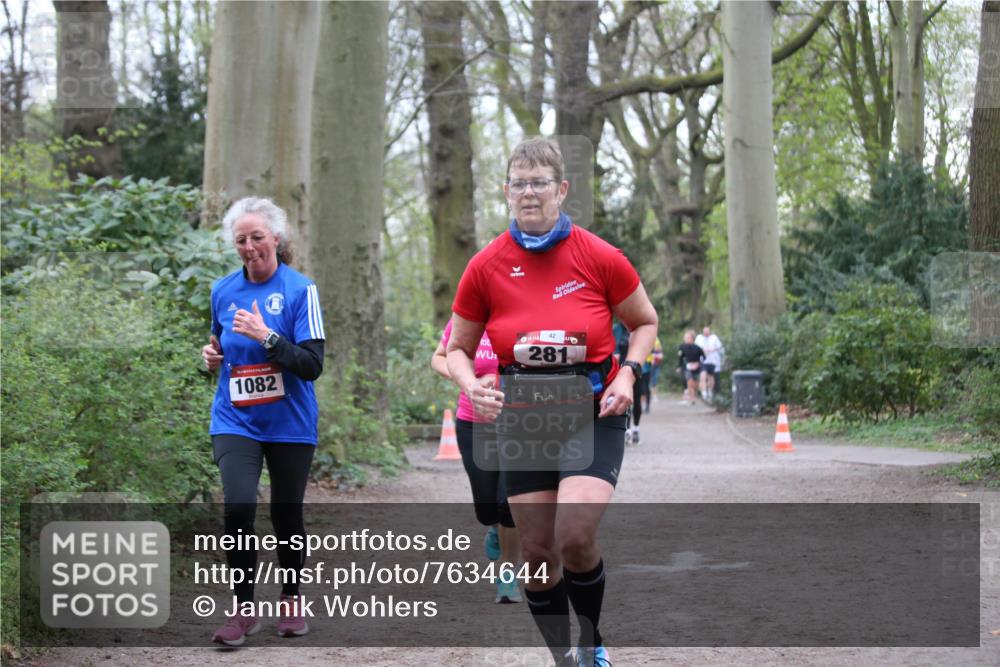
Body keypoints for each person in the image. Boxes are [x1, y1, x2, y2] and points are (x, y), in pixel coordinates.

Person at [446, 137, 658, 667]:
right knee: (539, 555)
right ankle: (563, 657)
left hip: (592, 412)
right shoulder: (486, 265)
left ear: (561, 190)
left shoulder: (599, 256)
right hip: (524, 420)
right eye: (519, 184)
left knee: (575, 536)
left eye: (539, 183)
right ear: (506, 192)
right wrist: (471, 385)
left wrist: (628, 374)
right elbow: (457, 349)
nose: (529, 193)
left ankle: (591, 642)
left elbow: (644, 322)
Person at [200, 197, 325, 646]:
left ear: (276, 237)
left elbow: (312, 365)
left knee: (286, 514)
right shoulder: (223, 291)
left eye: (257, 237)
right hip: (235, 419)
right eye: (241, 240)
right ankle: (243, 610)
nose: (249, 247)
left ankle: (290, 598)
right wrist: (210, 357)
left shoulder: (300, 290)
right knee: (237, 509)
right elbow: (218, 344)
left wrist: (267, 336)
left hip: (290, 422)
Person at [431, 320, 522, 603]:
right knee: (487, 508)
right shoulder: (467, 320)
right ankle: (493, 528)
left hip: (520, 425)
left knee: (508, 503)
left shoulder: (523, 317)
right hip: (473, 424)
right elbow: (439, 357)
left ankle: (508, 576)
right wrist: (467, 381)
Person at [695, 326, 723, 401]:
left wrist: (712, 350)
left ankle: (710, 392)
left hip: (712, 360)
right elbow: (696, 347)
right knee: (703, 375)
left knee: (710, 377)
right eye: (704, 331)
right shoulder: (699, 338)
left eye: (707, 331)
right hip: (702, 360)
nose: (706, 333)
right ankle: (703, 393)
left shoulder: (714, 338)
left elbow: (719, 347)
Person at [677, 330, 704, 405]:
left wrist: (698, 363)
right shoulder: (682, 347)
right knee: (689, 381)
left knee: (695, 383)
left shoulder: (698, 348)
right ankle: (691, 397)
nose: (686, 339)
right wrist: (679, 366)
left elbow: (703, 357)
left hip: (696, 368)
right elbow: (680, 358)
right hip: (687, 367)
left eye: (688, 337)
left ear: (692, 338)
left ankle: (694, 394)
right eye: (685, 338)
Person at [644, 336, 663, 412]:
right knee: (646, 384)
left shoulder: (655, 338)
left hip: (651, 364)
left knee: (652, 382)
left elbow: (658, 350)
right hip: (645, 363)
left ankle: (649, 403)